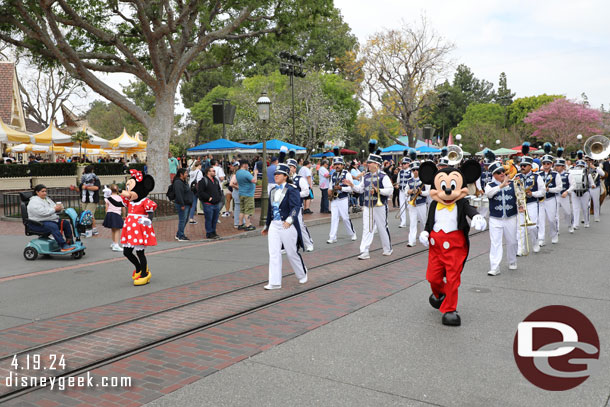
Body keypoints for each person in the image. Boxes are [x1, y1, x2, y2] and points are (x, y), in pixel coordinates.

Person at [418, 160, 486, 326]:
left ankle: (450, 309)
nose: (447, 190)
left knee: (453, 279)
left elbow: (470, 210)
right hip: (435, 247)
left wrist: (477, 216)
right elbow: (430, 222)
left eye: (452, 185)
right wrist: (426, 232)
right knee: (433, 277)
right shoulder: (434, 204)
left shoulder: (461, 203)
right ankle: (441, 293)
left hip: (455, 247)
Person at [106, 170, 157, 286]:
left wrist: (148, 220)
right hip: (130, 229)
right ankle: (139, 268)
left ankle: (145, 273)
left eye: (131, 189)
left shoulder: (145, 201)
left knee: (140, 252)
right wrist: (109, 197)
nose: (128, 192)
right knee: (127, 252)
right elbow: (119, 204)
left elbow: (151, 213)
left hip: (140, 228)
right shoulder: (130, 202)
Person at [261, 163, 308, 290]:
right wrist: (267, 225)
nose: (275, 176)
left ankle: (302, 273)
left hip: (287, 225)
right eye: (275, 174)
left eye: (278, 174)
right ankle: (275, 282)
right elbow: (270, 210)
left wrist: (290, 220)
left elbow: (296, 207)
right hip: (274, 226)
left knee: (291, 252)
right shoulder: (272, 190)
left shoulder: (292, 189)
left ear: (285, 176)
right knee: (274, 253)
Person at [344, 140, 393, 260]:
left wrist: (378, 190)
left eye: (369, 163)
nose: (367, 164)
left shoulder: (383, 176)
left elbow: (390, 190)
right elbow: (360, 190)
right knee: (367, 228)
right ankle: (364, 251)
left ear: (376, 164)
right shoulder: (365, 176)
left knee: (382, 227)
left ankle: (387, 248)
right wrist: (351, 185)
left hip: (380, 206)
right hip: (367, 206)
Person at [485, 161, 518, 276]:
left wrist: (521, 205)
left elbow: (519, 197)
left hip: (511, 217)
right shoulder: (490, 185)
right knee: (495, 243)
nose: (502, 174)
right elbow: (488, 194)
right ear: (493, 174)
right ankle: (494, 267)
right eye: (499, 172)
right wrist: (501, 185)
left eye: (503, 171)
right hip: (495, 218)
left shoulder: (513, 183)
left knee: (512, 241)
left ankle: (512, 261)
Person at [513, 143, 545, 255]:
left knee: (533, 227)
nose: (522, 167)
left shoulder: (537, 177)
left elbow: (543, 192)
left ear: (530, 166)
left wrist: (532, 193)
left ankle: (535, 243)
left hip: (531, 203)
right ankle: (520, 248)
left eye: (525, 166)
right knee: (520, 228)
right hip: (520, 204)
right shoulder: (517, 177)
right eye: (521, 165)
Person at [27, 184, 74, 251]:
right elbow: (42, 213)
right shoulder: (34, 202)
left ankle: (69, 241)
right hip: (37, 223)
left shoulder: (47, 199)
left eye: (45, 191)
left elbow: (54, 206)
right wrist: (55, 209)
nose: (45, 193)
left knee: (65, 223)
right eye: (42, 191)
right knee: (53, 226)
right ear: (37, 192)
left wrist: (59, 208)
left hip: (49, 220)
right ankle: (63, 245)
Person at [287, 152, 314, 251]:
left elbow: (306, 192)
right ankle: (288, 246)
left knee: (300, 225)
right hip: (287, 207)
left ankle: (309, 243)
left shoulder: (300, 179)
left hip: (297, 206)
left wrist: (295, 195)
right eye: (287, 167)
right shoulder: (285, 180)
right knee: (287, 226)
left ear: (294, 168)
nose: (288, 169)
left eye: (290, 167)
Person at [326, 156, 356, 244]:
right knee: (334, 218)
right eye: (335, 165)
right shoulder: (333, 174)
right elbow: (330, 185)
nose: (337, 166)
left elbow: (351, 188)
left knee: (345, 218)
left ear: (342, 165)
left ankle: (352, 233)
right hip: (334, 199)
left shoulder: (347, 174)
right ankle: (332, 237)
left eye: (339, 164)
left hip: (343, 198)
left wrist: (341, 188)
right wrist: (329, 191)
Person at [405, 161, 430, 247]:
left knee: (423, 222)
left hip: (421, 204)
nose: (415, 171)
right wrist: (410, 191)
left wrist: (420, 192)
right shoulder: (409, 181)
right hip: (412, 204)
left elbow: (428, 192)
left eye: (417, 170)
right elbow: (405, 192)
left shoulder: (424, 180)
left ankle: (424, 238)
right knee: (412, 222)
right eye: (413, 170)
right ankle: (411, 241)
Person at [198, 166, 223, 239]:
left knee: (215, 219)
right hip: (208, 204)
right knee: (209, 219)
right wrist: (208, 198)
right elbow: (201, 192)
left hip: (216, 203)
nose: (214, 172)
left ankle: (213, 232)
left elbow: (218, 189)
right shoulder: (203, 181)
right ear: (208, 172)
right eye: (213, 171)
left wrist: (219, 197)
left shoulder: (215, 180)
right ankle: (209, 233)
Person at [235, 161, 257, 231]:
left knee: (242, 210)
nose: (248, 166)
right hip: (248, 194)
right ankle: (248, 225)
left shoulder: (238, 172)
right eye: (247, 165)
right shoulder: (246, 173)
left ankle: (240, 224)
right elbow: (254, 180)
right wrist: (255, 174)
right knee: (248, 210)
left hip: (241, 193)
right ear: (244, 165)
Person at [78, 165, 100, 235]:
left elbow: (96, 187)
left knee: (89, 214)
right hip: (84, 199)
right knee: (84, 215)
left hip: (92, 199)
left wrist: (86, 187)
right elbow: (80, 188)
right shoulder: (83, 178)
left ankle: (94, 228)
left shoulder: (95, 179)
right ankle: (86, 229)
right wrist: (74, 188)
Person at [554, 150, 573, 233]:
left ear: (563, 167)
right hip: (555, 196)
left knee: (567, 212)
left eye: (559, 166)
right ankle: (556, 229)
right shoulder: (553, 175)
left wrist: (567, 192)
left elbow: (573, 185)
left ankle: (570, 225)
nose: (557, 167)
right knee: (555, 214)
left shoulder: (568, 174)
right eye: (556, 165)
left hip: (564, 196)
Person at [172, 168, 193, 241]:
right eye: (186, 173)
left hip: (187, 203)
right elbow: (179, 194)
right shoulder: (178, 182)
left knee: (185, 219)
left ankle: (179, 234)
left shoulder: (184, 181)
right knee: (182, 220)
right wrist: (182, 204)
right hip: (182, 204)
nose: (187, 175)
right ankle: (181, 235)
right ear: (181, 174)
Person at [102, 184, 125, 251]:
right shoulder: (120, 197)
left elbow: (106, 208)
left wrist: (107, 215)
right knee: (117, 229)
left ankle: (113, 243)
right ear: (117, 189)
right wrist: (124, 215)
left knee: (113, 229)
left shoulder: (108, 198)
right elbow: (123, 208)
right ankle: (116, 245)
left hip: (110, 214)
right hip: (117, 214)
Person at [396, 150, 414, 228]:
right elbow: (398, 181)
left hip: (408, 192)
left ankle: (413, 221)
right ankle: (403, 222)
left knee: (410, 207)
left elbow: (413, 181)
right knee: (402, 207)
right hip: (401, 191)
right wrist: (397, 185)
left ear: (408, 164)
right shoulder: (400, 172)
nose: (403, 165)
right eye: (402, 164)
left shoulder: (411, 172)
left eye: (404, 164)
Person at [229, 162, 245, 229]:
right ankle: (238, 222)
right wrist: (238, 187)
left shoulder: (235, 175)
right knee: (238, 208)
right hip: (237, 192)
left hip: (237, 192)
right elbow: (231, 184)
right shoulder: (235, 175)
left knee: (239, 208)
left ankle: (240, 222)